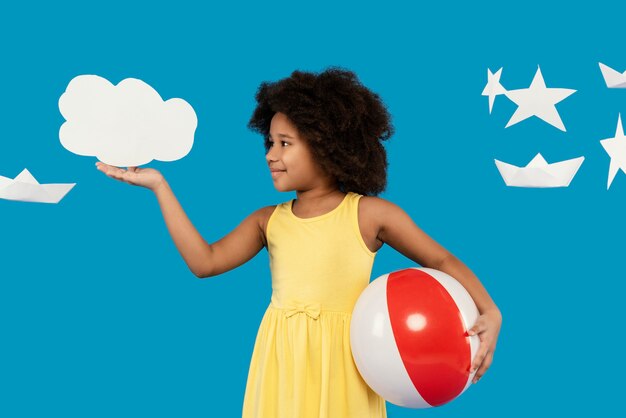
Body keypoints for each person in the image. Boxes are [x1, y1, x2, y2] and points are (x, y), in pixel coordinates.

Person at [96, 67, 502, 418]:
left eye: (284, 143)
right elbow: (205, 262)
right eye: (269, 142)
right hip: (282, 367)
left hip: (347, 367)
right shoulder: (267, 221)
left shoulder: (370, 215)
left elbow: (441, 260)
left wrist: (489, 310)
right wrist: (159, 186)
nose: (271, 154)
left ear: (326, 144)